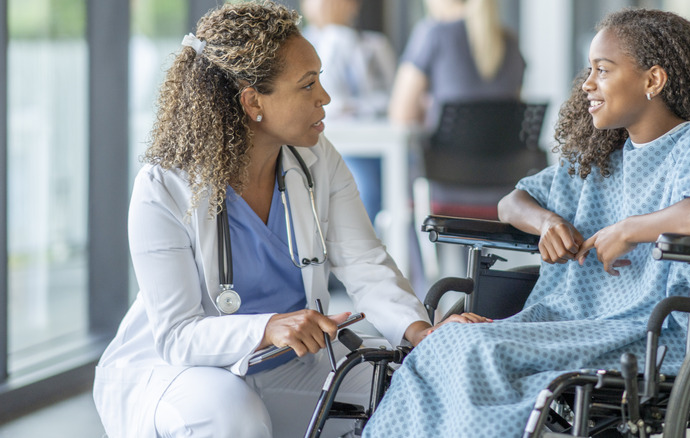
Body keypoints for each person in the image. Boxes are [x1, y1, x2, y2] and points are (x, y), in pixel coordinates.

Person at [92, 3, 489, 438]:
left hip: (288, 361)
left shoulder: (317, 159)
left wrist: (421, 333)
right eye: (308, 84)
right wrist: (267, 326)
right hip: (179, 369)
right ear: (252, 101)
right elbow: (178, 335)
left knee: (410, 394)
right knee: (233, 417)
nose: (326, 97)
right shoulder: (164, 187)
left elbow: (365, 264)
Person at [362, 8, 690, 436]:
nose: (587, 84)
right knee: (443, 342)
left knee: (477, 349)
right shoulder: (599, 159)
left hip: (646, 332)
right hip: (568, 320)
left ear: (653, 80)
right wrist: (546, 222)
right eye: (590, 70)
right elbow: (512, 203)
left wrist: (626, 229)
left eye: (603, 70)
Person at [300, 0, 397, 224]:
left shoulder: (375, 45)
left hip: (377, 144)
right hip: (326, 145)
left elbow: (393, 98)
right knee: (361, 185)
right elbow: (328, 98)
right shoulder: (298, 48)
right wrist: (335, 34)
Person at [388, 0, 526, 127]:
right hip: (506, 153)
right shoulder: (512, 42)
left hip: (445, 153)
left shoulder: (432, 34)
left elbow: (400, 116)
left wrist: (427, 110)